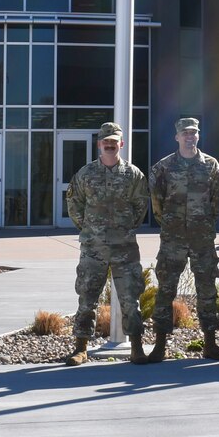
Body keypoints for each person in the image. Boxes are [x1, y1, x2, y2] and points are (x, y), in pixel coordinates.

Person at [65, 121, 150, 365]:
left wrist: (123, 228)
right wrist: (90, 229)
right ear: (99, 144)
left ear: (121, 144)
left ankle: (136, 347)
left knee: (130, 299)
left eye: (114, 141)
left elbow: (139, 207)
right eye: (106, 141)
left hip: (124, 248)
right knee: (87, 298)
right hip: (94, 248)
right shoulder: (85, 174)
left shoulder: (133, 175)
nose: (110, 145)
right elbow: (74, 204)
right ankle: (80, 348)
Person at [148, 116, 219, 361]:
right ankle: (160, 345)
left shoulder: (211, 166)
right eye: (185, 133)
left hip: (202, 238)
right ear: (177, 137)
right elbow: (156, 201)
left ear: (198, 136)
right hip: (173, 238)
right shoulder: (164, 167)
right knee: (166, 290)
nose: (189, 137)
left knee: (207, 289)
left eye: (193, 133)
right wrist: (170, 224)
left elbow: (216, 201)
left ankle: (210, 344)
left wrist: (203, 223)